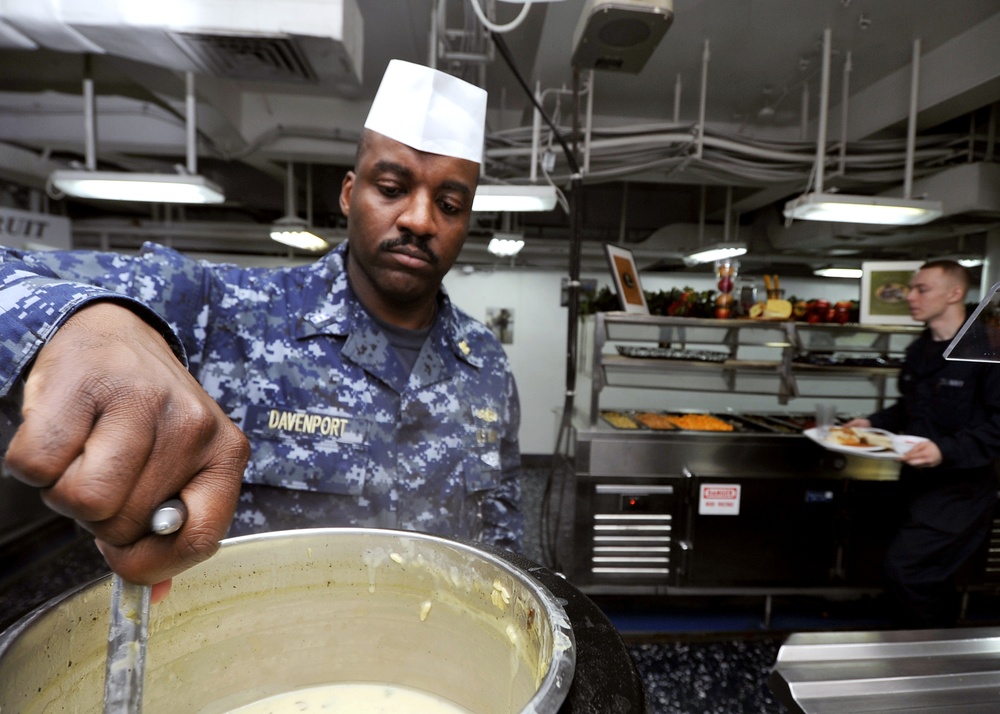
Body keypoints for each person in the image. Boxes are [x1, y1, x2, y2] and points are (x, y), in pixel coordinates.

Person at [0, 59, 524, 593]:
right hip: (254, 660)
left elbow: (503, 525)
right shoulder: (221, 311)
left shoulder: (484, 364)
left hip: (435, 659)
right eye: (391, 188)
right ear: (349, 193)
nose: (419, 219)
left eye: (450, 203)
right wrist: (83, 322)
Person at [846, 260, 1000, 628]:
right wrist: (872, 423)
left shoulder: (987, 349)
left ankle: (935, 658)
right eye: (912, 289)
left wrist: (945, 449)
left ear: (955, 293)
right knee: (916, 575)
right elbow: (910, 407)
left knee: (908, 571)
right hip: (916, 483)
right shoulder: (920, 350)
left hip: (963, 489)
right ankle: (916, 655)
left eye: (922, 289)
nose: (911, 297)